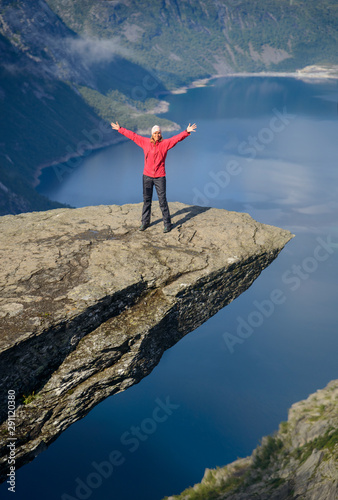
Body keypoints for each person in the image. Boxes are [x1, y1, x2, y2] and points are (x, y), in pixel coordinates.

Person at [111, 121, 197, 232]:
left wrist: (186, 132)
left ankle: (167, 224)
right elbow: (133, 136)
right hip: (147, 176)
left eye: (159, 133)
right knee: (147, 200)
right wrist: (120, 129)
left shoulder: (165, 144)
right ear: (152, 134)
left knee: (162, 201)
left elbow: (176, 138)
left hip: (160, 176)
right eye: (155, 133)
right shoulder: (145, 142)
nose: (157, 135)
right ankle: (145, 222)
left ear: (161, 134)